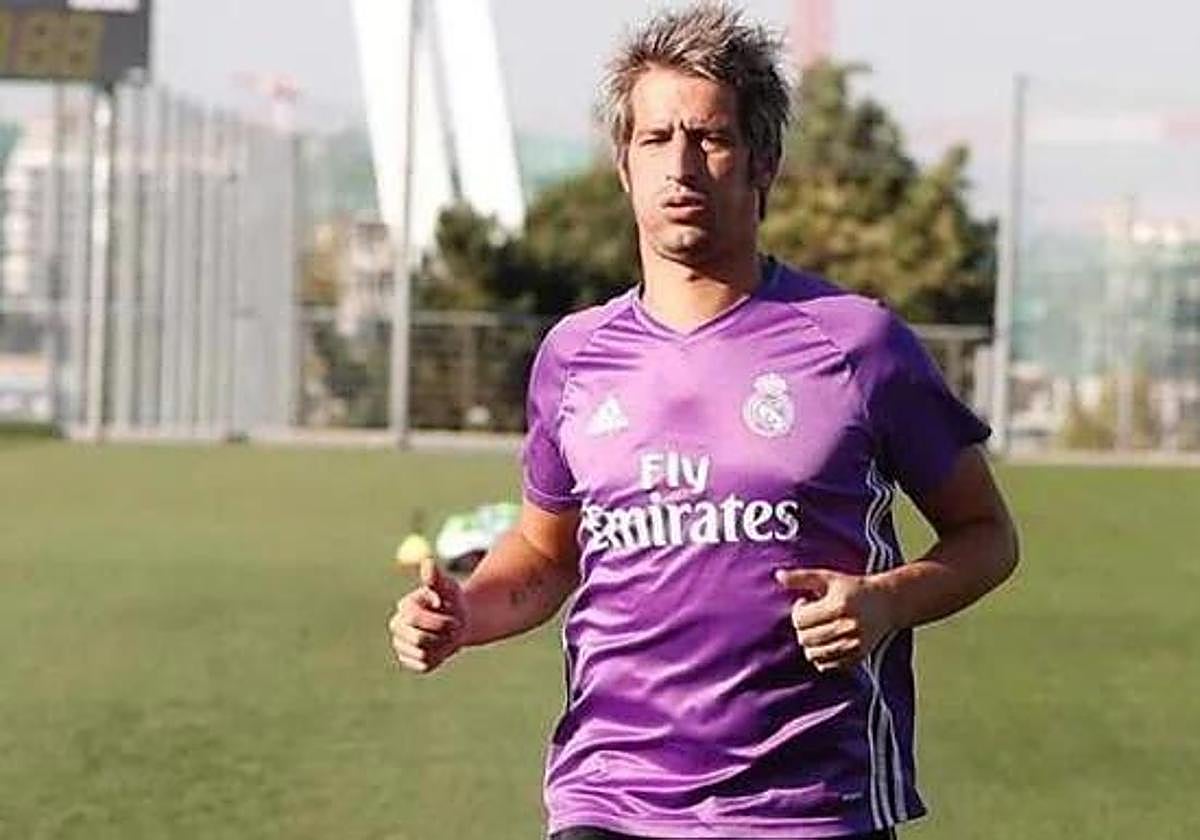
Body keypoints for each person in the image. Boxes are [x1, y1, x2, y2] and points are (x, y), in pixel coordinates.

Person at [387, 4, 1019, 838]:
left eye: (709, 137)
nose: (680, 165)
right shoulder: (576, 355)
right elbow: (546, 553)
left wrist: (886, 603)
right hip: (609, 798)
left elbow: (986, 536)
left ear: (764, 161)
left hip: (807, 807)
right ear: (624, 163)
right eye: (655, 140)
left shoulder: (858, 342)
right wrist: (468, 614)